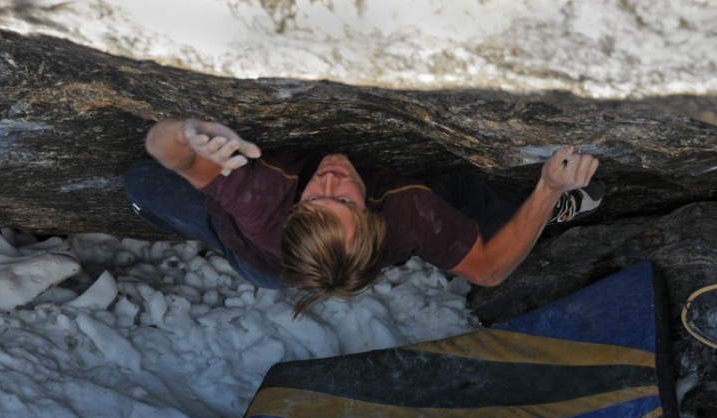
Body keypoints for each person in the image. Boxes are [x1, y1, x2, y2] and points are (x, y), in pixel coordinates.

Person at [126, 118, 602, 315]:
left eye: (319, 198)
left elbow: (170, 153)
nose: (331, 179)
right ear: (376, 222)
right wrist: (548, 187)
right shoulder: (409, 215)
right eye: (344, 201)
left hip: (255, 239)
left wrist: (188, 134)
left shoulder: (259, 196)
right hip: (258, 257)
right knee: (455, 197)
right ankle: (548, 212)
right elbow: (490, 269)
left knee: (141, 181)